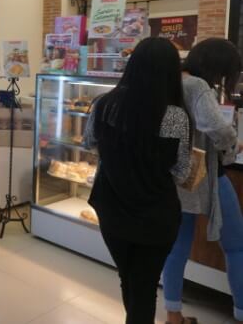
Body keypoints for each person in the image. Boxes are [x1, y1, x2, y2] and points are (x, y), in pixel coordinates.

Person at [84, 37, 191, 324]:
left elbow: (89, 143)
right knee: (144, 286)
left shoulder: (104, 104)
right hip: (156, 217)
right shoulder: (176, 116)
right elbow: (182, 172)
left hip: (112, 210)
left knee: (128, 278)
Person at [162, 38, 243, 324]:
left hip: (179, 175)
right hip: (207, 174)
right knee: (236, 244)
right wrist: (232, 144)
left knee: (177, 247)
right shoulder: (198, 86)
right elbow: (217, 128)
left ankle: (173, 314)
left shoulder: (173, 80)